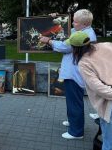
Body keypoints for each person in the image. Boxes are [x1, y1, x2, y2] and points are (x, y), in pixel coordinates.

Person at [39, 9, 96, 139]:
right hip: (73, 72)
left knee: (74, 102)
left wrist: (48, 41)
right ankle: (73, 122)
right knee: (72, 100)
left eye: (75, 22)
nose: (72, 23)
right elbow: (66, 30)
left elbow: (65, 46)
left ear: (85, 24)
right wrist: (56, 19)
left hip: (75, 74)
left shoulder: (84, 35)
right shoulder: (82, 30)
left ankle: (76, 132)